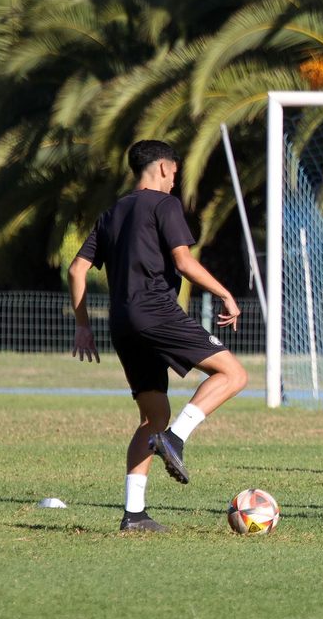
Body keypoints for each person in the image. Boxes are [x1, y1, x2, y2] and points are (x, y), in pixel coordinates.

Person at [69, 140, 248, 532]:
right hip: (155, 311)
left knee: (153, 418)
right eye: (176, 172)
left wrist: (84, 324)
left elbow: (76, 270)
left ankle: (134, 515)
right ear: (165, 168)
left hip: (121, 323)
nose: (175, 180)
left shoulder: (112, 212)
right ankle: (177, 440)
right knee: (234, 375)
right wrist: (225, 293)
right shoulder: (164, 205)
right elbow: (183, 262)